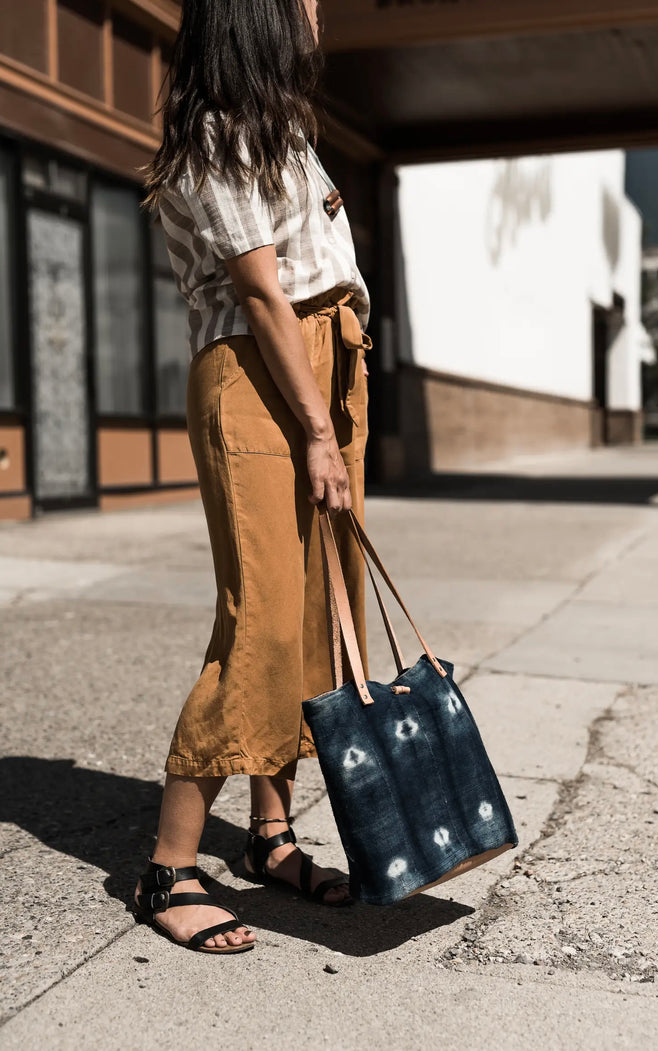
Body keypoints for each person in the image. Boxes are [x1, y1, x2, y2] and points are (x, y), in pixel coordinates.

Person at [133, 0, 371, 954]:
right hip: (260, 377)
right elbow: (264, 293)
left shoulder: (284, 130)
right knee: (264, 615)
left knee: (319, 608)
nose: (318, 11)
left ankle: (270, 835)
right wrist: (316, 427)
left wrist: (338, 398)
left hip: (324, 369)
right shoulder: (215, 135)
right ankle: (168, 865)